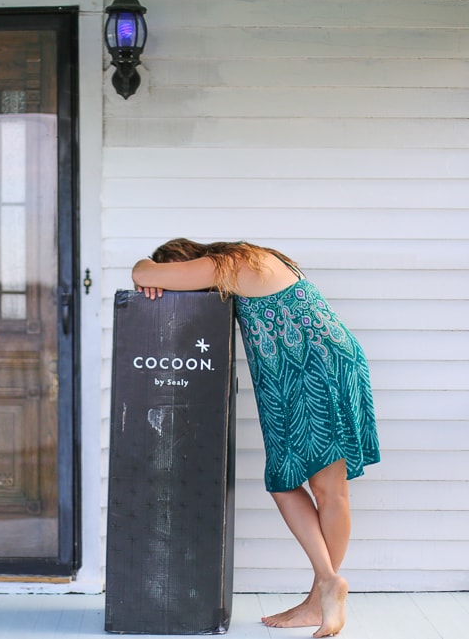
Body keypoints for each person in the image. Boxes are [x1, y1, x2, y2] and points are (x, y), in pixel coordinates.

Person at [131, 238, 380, 639]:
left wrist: (152, 271)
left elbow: (143, 272)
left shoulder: (222, 264)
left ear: (185, 261)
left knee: (319, 488)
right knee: (301, 485)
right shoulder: (243, 262)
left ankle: (324, 591)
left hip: (312, 366)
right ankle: (324, 591)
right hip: (308, 366)